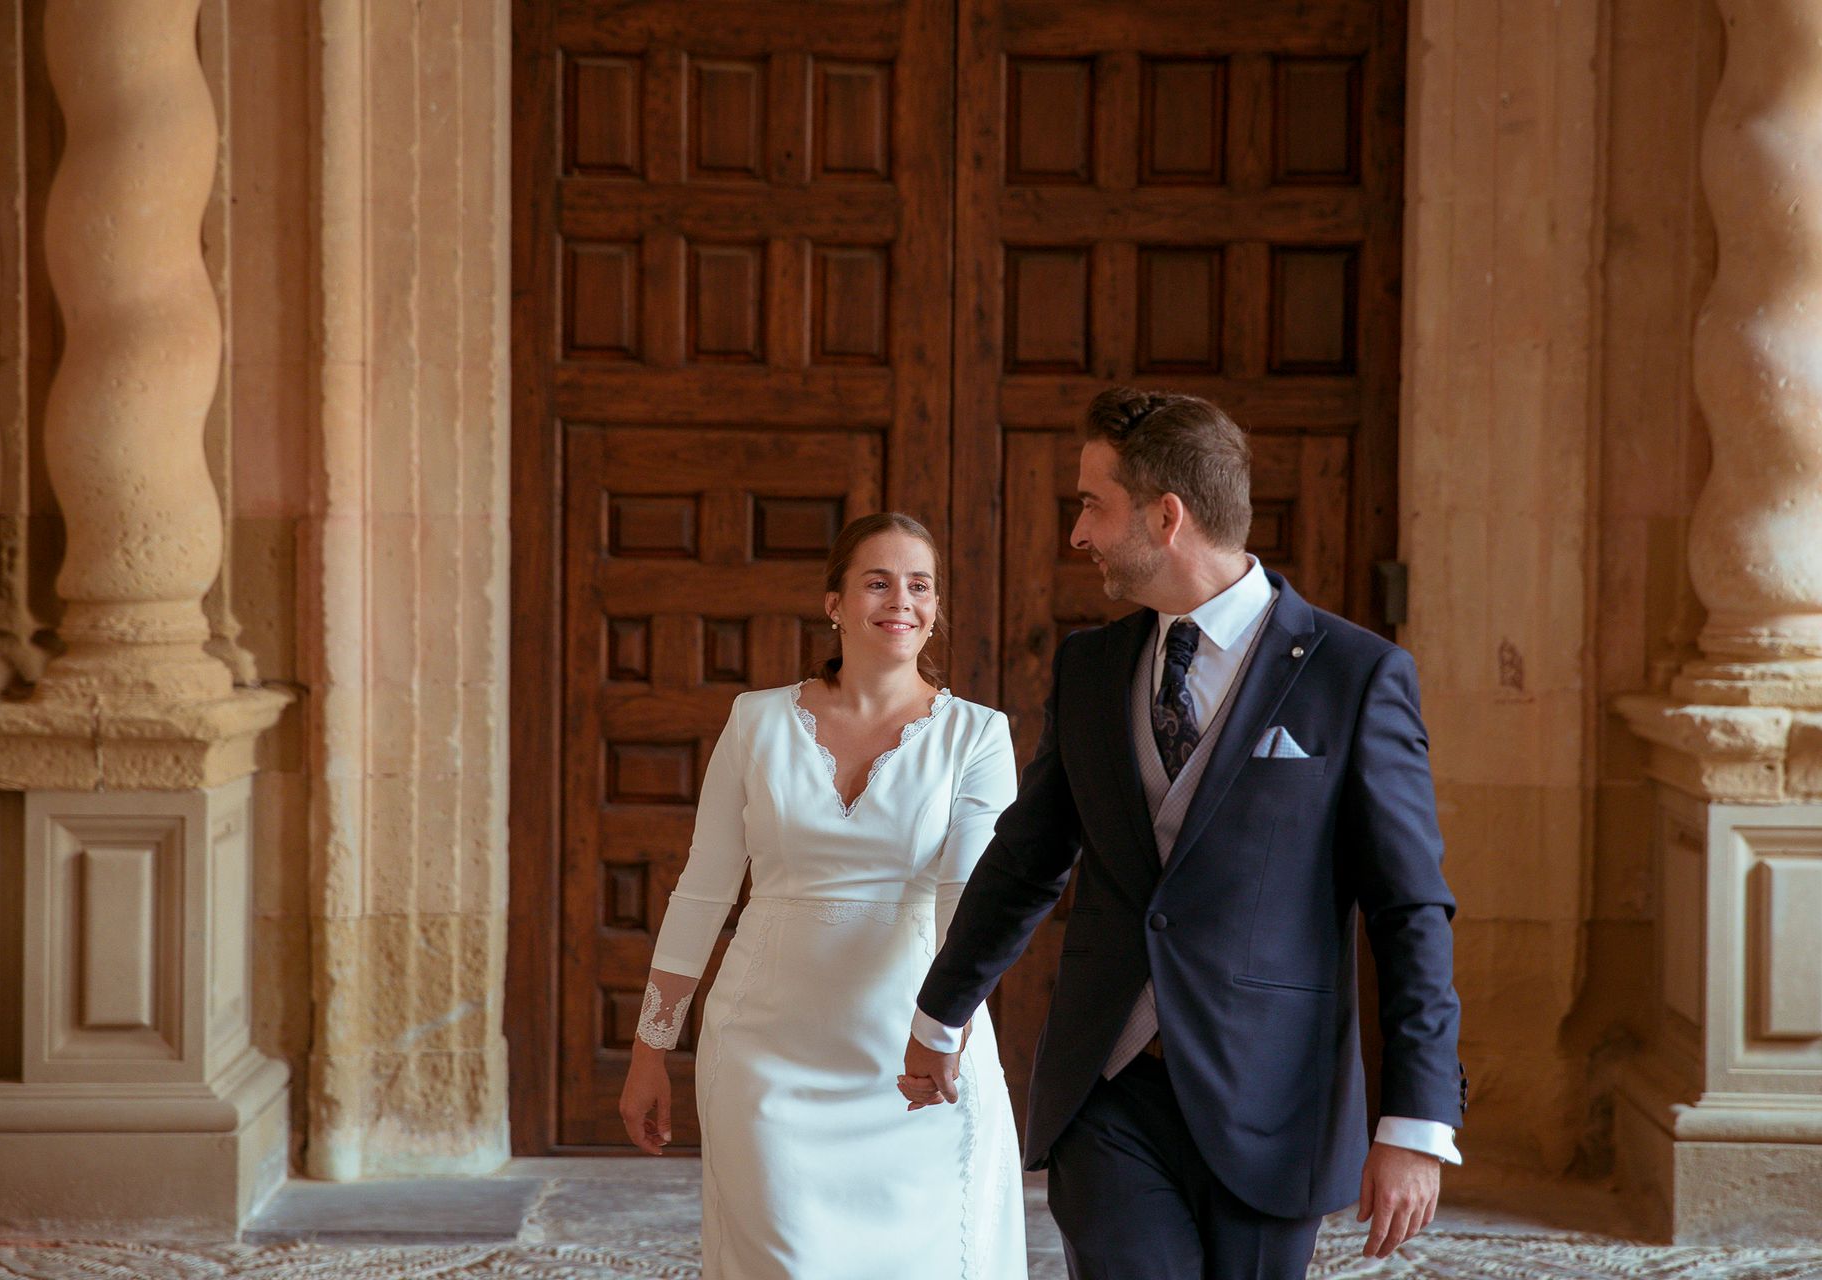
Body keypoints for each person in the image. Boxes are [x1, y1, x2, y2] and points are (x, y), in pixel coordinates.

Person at [901, 388, 1466, 1280]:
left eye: (1093, 504)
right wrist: (941, 1012)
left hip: (1271, 1104)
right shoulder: (1092, 668)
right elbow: (1027, 858)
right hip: (1106, 1093)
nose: (1079, 533)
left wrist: (1417, 1118)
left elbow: (1409, 908)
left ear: (1167, 518)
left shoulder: (1354, 676)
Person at [617, 511, 1027, 1280]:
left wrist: (945, 1034)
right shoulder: (756, 721)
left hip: (912, 1044)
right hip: (764, 1055)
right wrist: (650, 1051)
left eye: (919, 585)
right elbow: (703, 891)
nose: (900, 600)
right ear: (834, 603)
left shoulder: (977, 735)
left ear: (935, 607)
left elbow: (966, 900)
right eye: (877, 581)